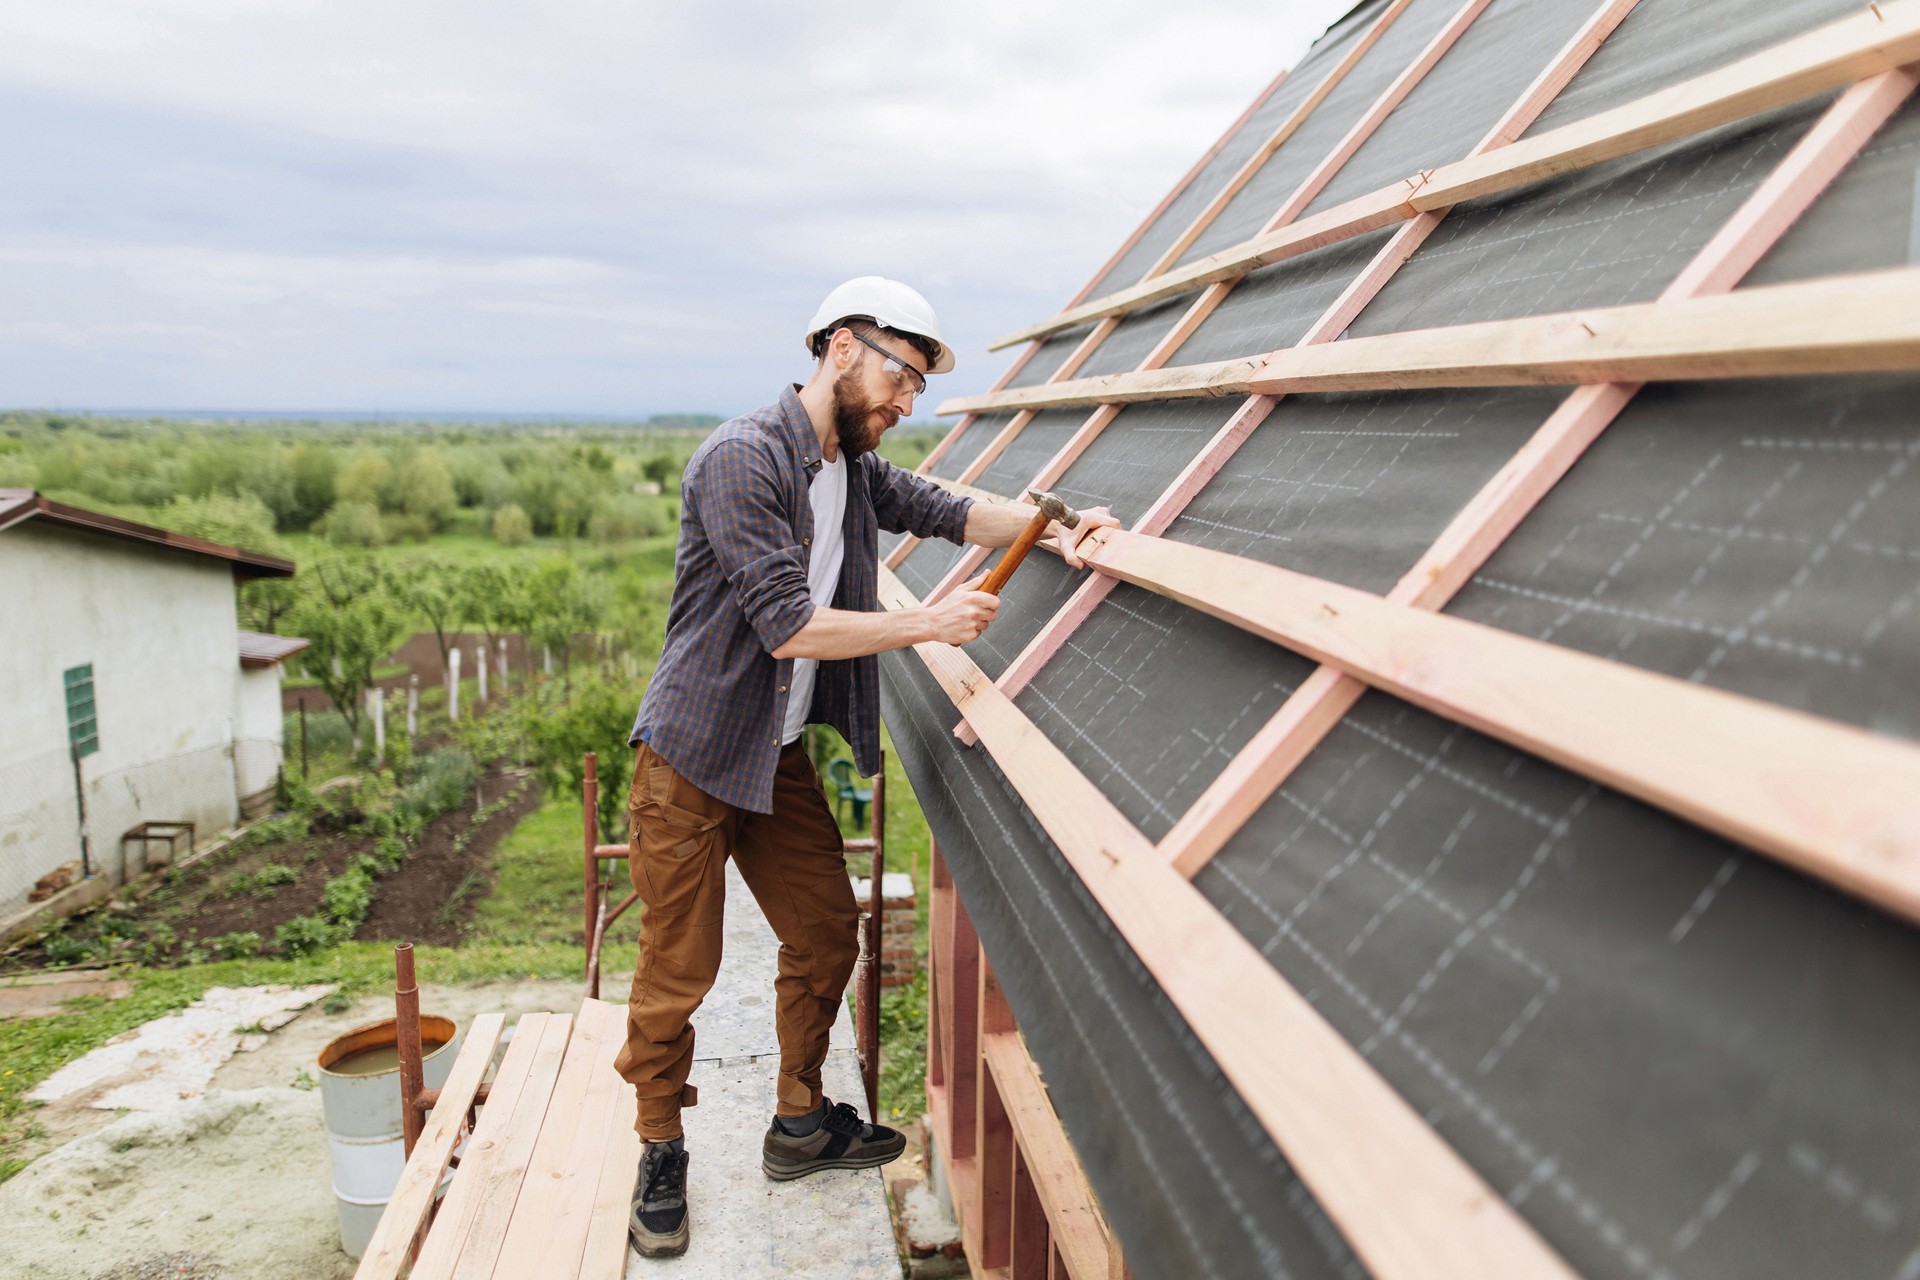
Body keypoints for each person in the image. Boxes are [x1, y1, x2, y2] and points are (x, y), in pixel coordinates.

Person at [616, 276, 1116, 1257]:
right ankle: (660, 1144)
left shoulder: (853, 461)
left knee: (825, 931)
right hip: (690, 753)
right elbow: (787, 624)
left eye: (920, 385)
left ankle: (799, 1118)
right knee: (681, 967)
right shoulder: (743, 458)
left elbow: (945, 507)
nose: (908, 401)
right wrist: (927, 621)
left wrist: (1054, 525)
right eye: (902, 373)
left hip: (774, 753)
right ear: (842, 345)